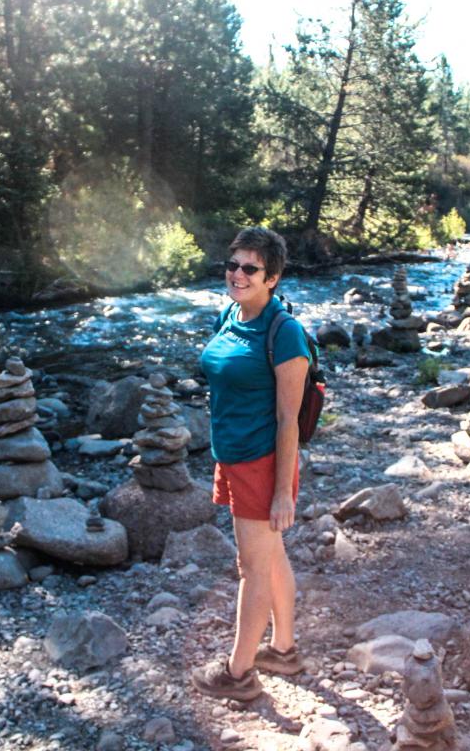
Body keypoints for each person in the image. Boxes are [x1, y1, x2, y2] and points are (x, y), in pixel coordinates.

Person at [191, 227, 311, 701]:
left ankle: (238, 674)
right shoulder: (231, 314)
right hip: (232, 455)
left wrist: (283, 492)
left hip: (262, 461)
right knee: (271, 555)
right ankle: (283, 651)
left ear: (272, 278)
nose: (237, 274)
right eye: (233, 264)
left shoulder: (285, 333)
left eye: (250, 268)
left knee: (253, 567)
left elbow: (288, 420)